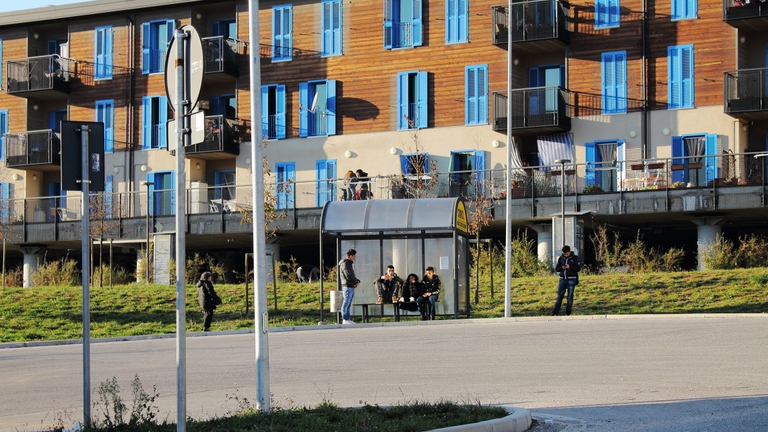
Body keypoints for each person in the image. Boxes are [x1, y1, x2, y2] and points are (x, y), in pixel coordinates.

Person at [552, 245, 581, 316]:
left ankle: (568, 312)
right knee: (559, 296)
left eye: (567, 253)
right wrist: (562, 267)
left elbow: (578, 269)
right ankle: (555, 312)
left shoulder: (575, 258)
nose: (566, 255)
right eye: (564, 254)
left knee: (570, 296)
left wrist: (570, 267)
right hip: (562, 279)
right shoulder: (561, 258)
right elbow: (557, 269)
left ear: (569, 252)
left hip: (572, 279)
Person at [338, 248, 360, 324]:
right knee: (346, 302)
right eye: (354, 256)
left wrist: (355, 282)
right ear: (350, 256)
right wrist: (356, 281)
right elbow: (348, 275)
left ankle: (348, 319)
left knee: (348, 303)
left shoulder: (347, 263)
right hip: (347, 285)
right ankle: (345, 319)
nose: (354, 258)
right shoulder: (345, 264)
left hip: (350, 285)